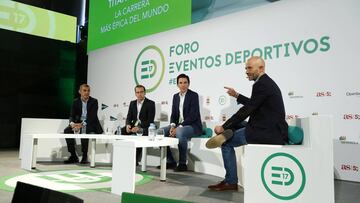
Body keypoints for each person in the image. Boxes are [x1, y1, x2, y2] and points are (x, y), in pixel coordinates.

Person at [206, 56, 288, 191]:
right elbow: (254, 103)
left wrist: (223, 126)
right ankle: (229, 132)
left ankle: (231, 182)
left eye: (249, 68)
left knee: (225, 144)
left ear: (261, 68)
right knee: (238, 124)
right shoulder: (265, 82)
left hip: (266, 132)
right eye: (246, 68)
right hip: (268, 127)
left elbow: (247, 109)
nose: (246, 71)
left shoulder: (261, 84)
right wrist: (237, 95)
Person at [161, 74, 202, 172]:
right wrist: (172, 126)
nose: (183, 85)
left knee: (180, 132)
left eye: (185, 82)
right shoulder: (175, 96)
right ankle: (170, 161)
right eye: (180, 83)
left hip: (193, 126)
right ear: (177, 84)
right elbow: (174, 114)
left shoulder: (194, 95)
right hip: (179, 125)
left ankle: (183, 163)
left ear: (188, 84)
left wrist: (178, 127)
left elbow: (193, 116)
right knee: (160, 132)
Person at [63, 84, 103, 164]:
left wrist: (80, 125)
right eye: (84, 90)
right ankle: (73, 155)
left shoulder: (94, 101)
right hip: (78, 122)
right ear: (80, 91)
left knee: (84, 129)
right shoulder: (75, 102)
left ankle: (85, 156)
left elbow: (92, 117)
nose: (87, 92)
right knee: (67, 130)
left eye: (88, 91)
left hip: (91, 123)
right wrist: (72, 124)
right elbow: (71, 115)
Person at [121, 85, 155, 166]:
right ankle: (122, 156)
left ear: (145, 92)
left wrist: (139, 127)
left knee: (138, 134)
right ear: (135, 94)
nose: (139, 94)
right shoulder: (132, 103)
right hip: (133, 126)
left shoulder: (151, 103)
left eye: (141, 92)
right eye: (137, 92)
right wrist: (128, 125)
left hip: (145, 127)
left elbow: (150, 121)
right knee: (119, 132)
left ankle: (134, 159)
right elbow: (129, 116)